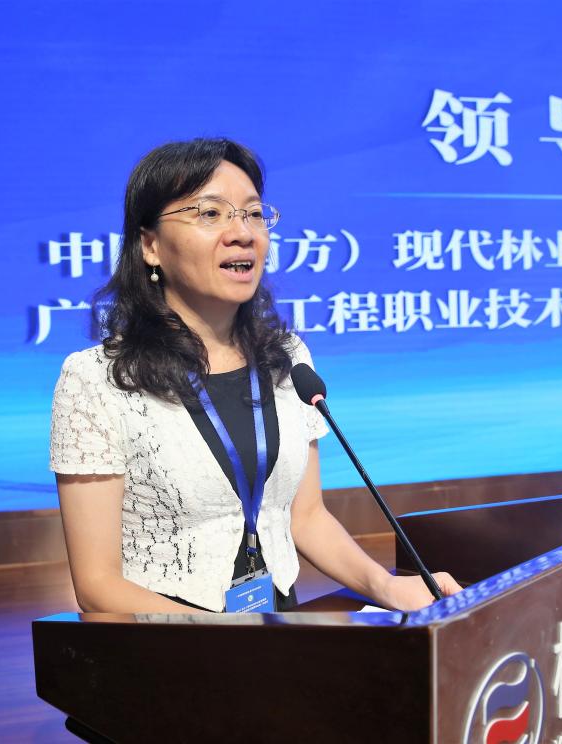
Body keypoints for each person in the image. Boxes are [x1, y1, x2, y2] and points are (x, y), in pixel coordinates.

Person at [49, 138, 461, 613]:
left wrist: (386, 586)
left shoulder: (286, 359)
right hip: (165, 643)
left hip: (275, 625)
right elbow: (96, 584)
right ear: (150, 246)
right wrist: (229, 642)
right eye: (210, 213)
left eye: (253, 214)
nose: (242, 233)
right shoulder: (96, 380)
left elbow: (306, 517)